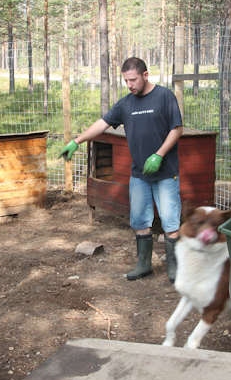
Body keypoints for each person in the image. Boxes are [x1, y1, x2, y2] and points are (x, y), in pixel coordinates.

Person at [60, 57, 183, 282]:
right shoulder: (126, 103)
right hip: (139, 175)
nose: (130, 85)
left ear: (145, 76)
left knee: (170, 221)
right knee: (139, 221)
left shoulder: (165, 96)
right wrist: (77, 141)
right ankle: (144, 264)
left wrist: (159, 154)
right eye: (126, 81)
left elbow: (177, 129)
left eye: (133, 80)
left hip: (165, 173)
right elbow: (102, 124)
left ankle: (174, 269)